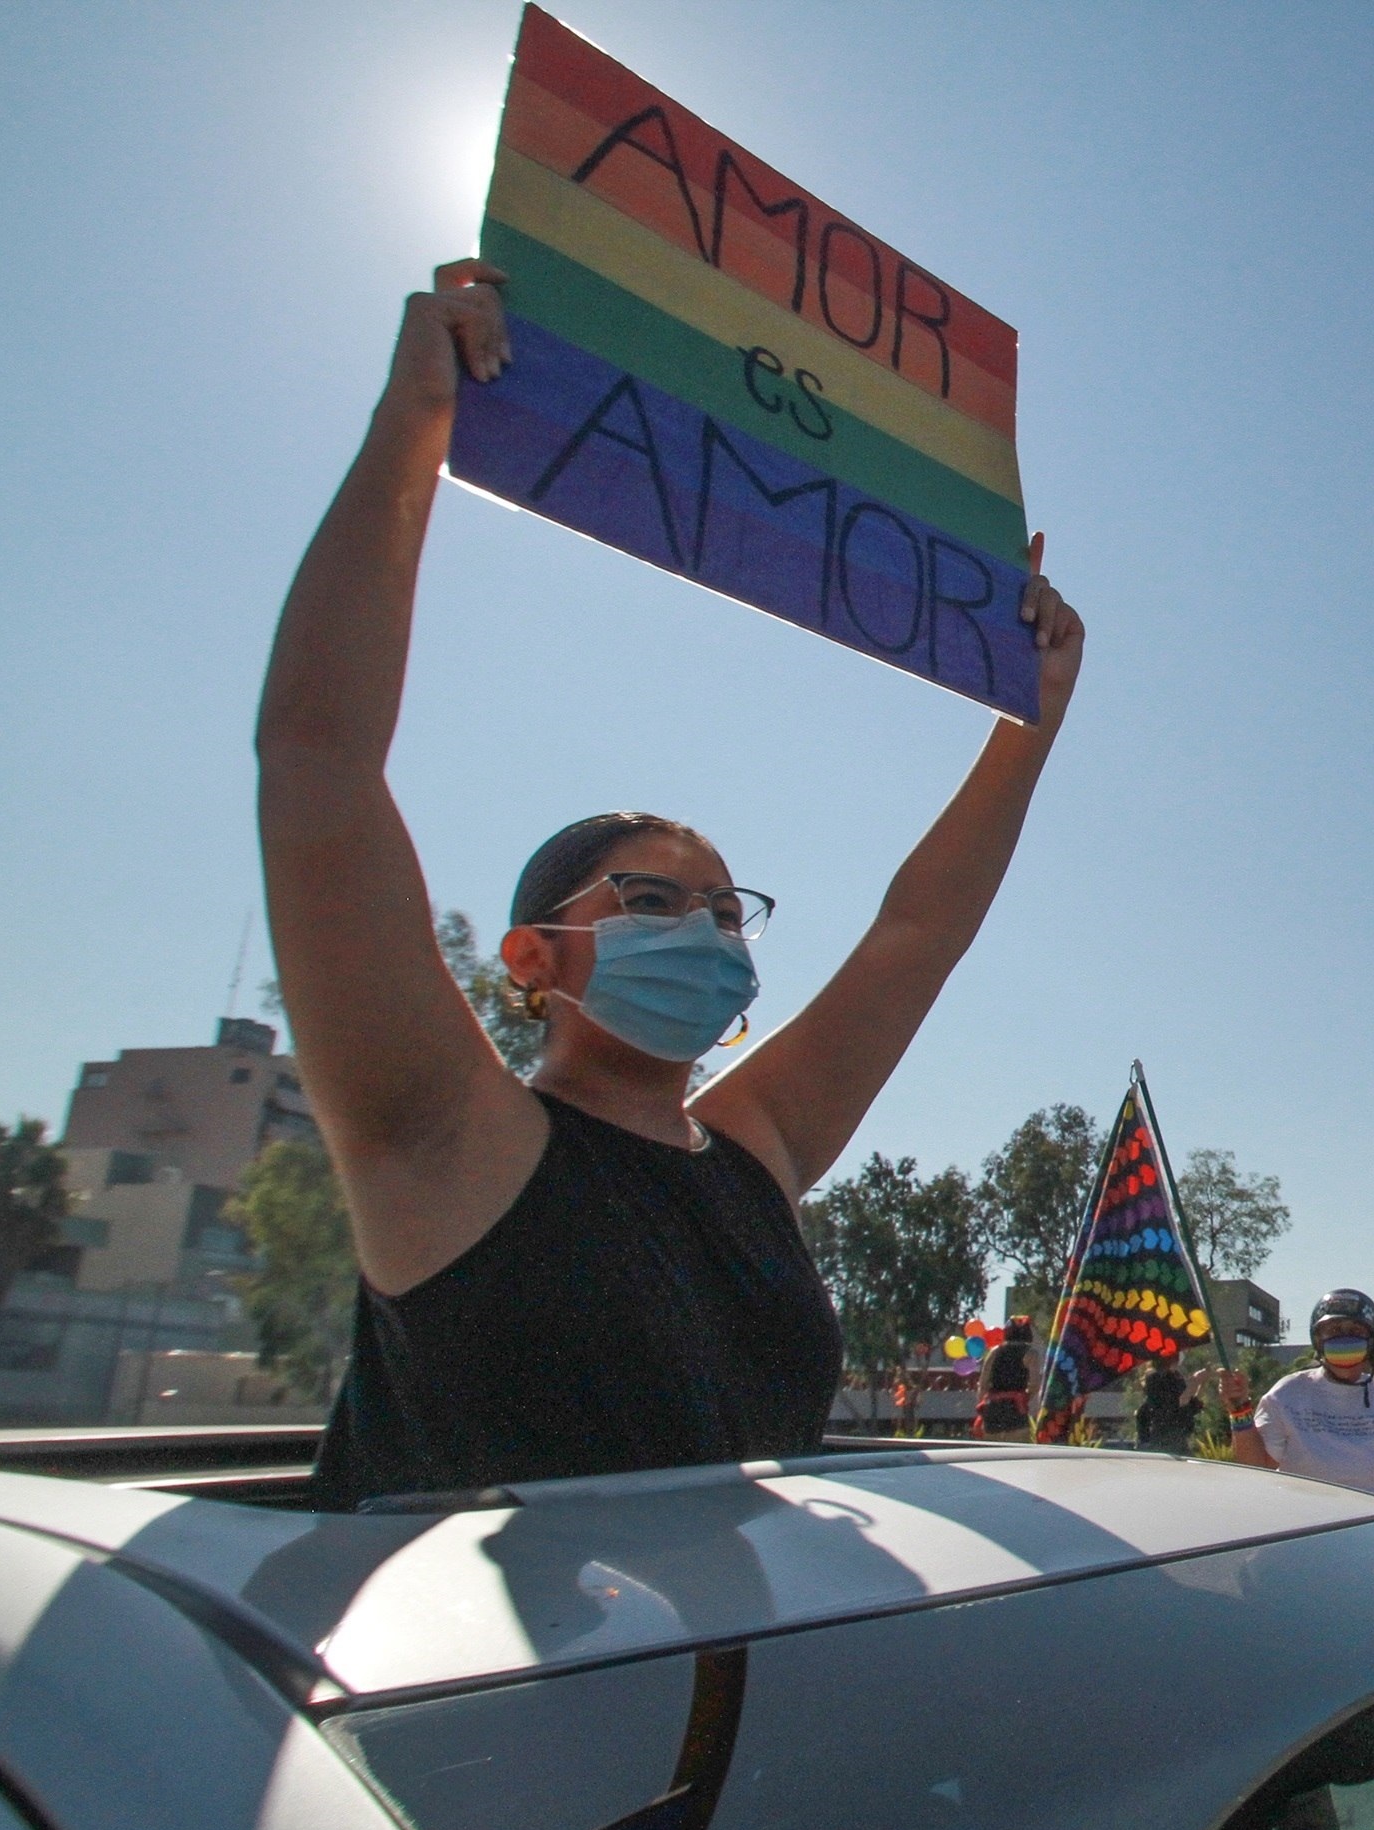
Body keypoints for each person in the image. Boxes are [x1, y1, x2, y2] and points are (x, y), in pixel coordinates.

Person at [261, 261, 1088, 1509]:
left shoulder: (750, 1152)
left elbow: (914, 935)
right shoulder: (449, 1137)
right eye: (648, 902)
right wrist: (414, 425)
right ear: (533, 961)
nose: (702, 931)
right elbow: (320, 762)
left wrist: (1035, 715)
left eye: (720, 908)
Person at [1228, 1291, 1374, 1502]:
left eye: (1355, 1330)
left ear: (1371, 1341)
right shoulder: (1288, 1393)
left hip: (1367, 1528)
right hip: (1303, 1528)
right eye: (1334, 1330)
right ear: (1318, 1340)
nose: (1345, 1338)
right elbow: (1257, 1468)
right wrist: (1239, 1409)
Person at [975, 1318, 1038, 1440]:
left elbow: (983, 1384)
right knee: (1016, 1454)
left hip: (992, 1414)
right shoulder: (1031, 1353)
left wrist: (983, 1408)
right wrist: (1024, 1397)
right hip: (1016, 1415)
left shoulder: (995, 1352)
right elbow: (1035, 1384)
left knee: (992, 1455)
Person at [1132, 1356, 1198, 1455]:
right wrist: (1195, 1382)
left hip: (1177, 1435)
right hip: (1164, 1437)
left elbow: (1191, 1405)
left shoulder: (1176, 1376)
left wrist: (1199, 1384)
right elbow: (1174, 1404)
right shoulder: (1156, 1377)